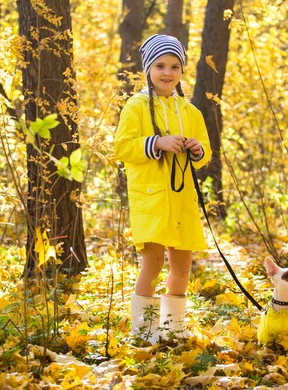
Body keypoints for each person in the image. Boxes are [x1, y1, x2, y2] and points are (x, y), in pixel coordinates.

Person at [114, 34, 212, 343]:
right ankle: (143, 331)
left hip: (182, 201)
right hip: (152, 200)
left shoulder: (191, 112)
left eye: (174, 66)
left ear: (182, 71)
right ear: (148, 69)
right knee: (153, 265)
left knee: (182, 268)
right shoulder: (137, 106)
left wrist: (196, 149)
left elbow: (205, 153)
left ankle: (173, 329)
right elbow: (122, 147)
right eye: (159, 65)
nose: (167, 72)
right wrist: (157, 142)